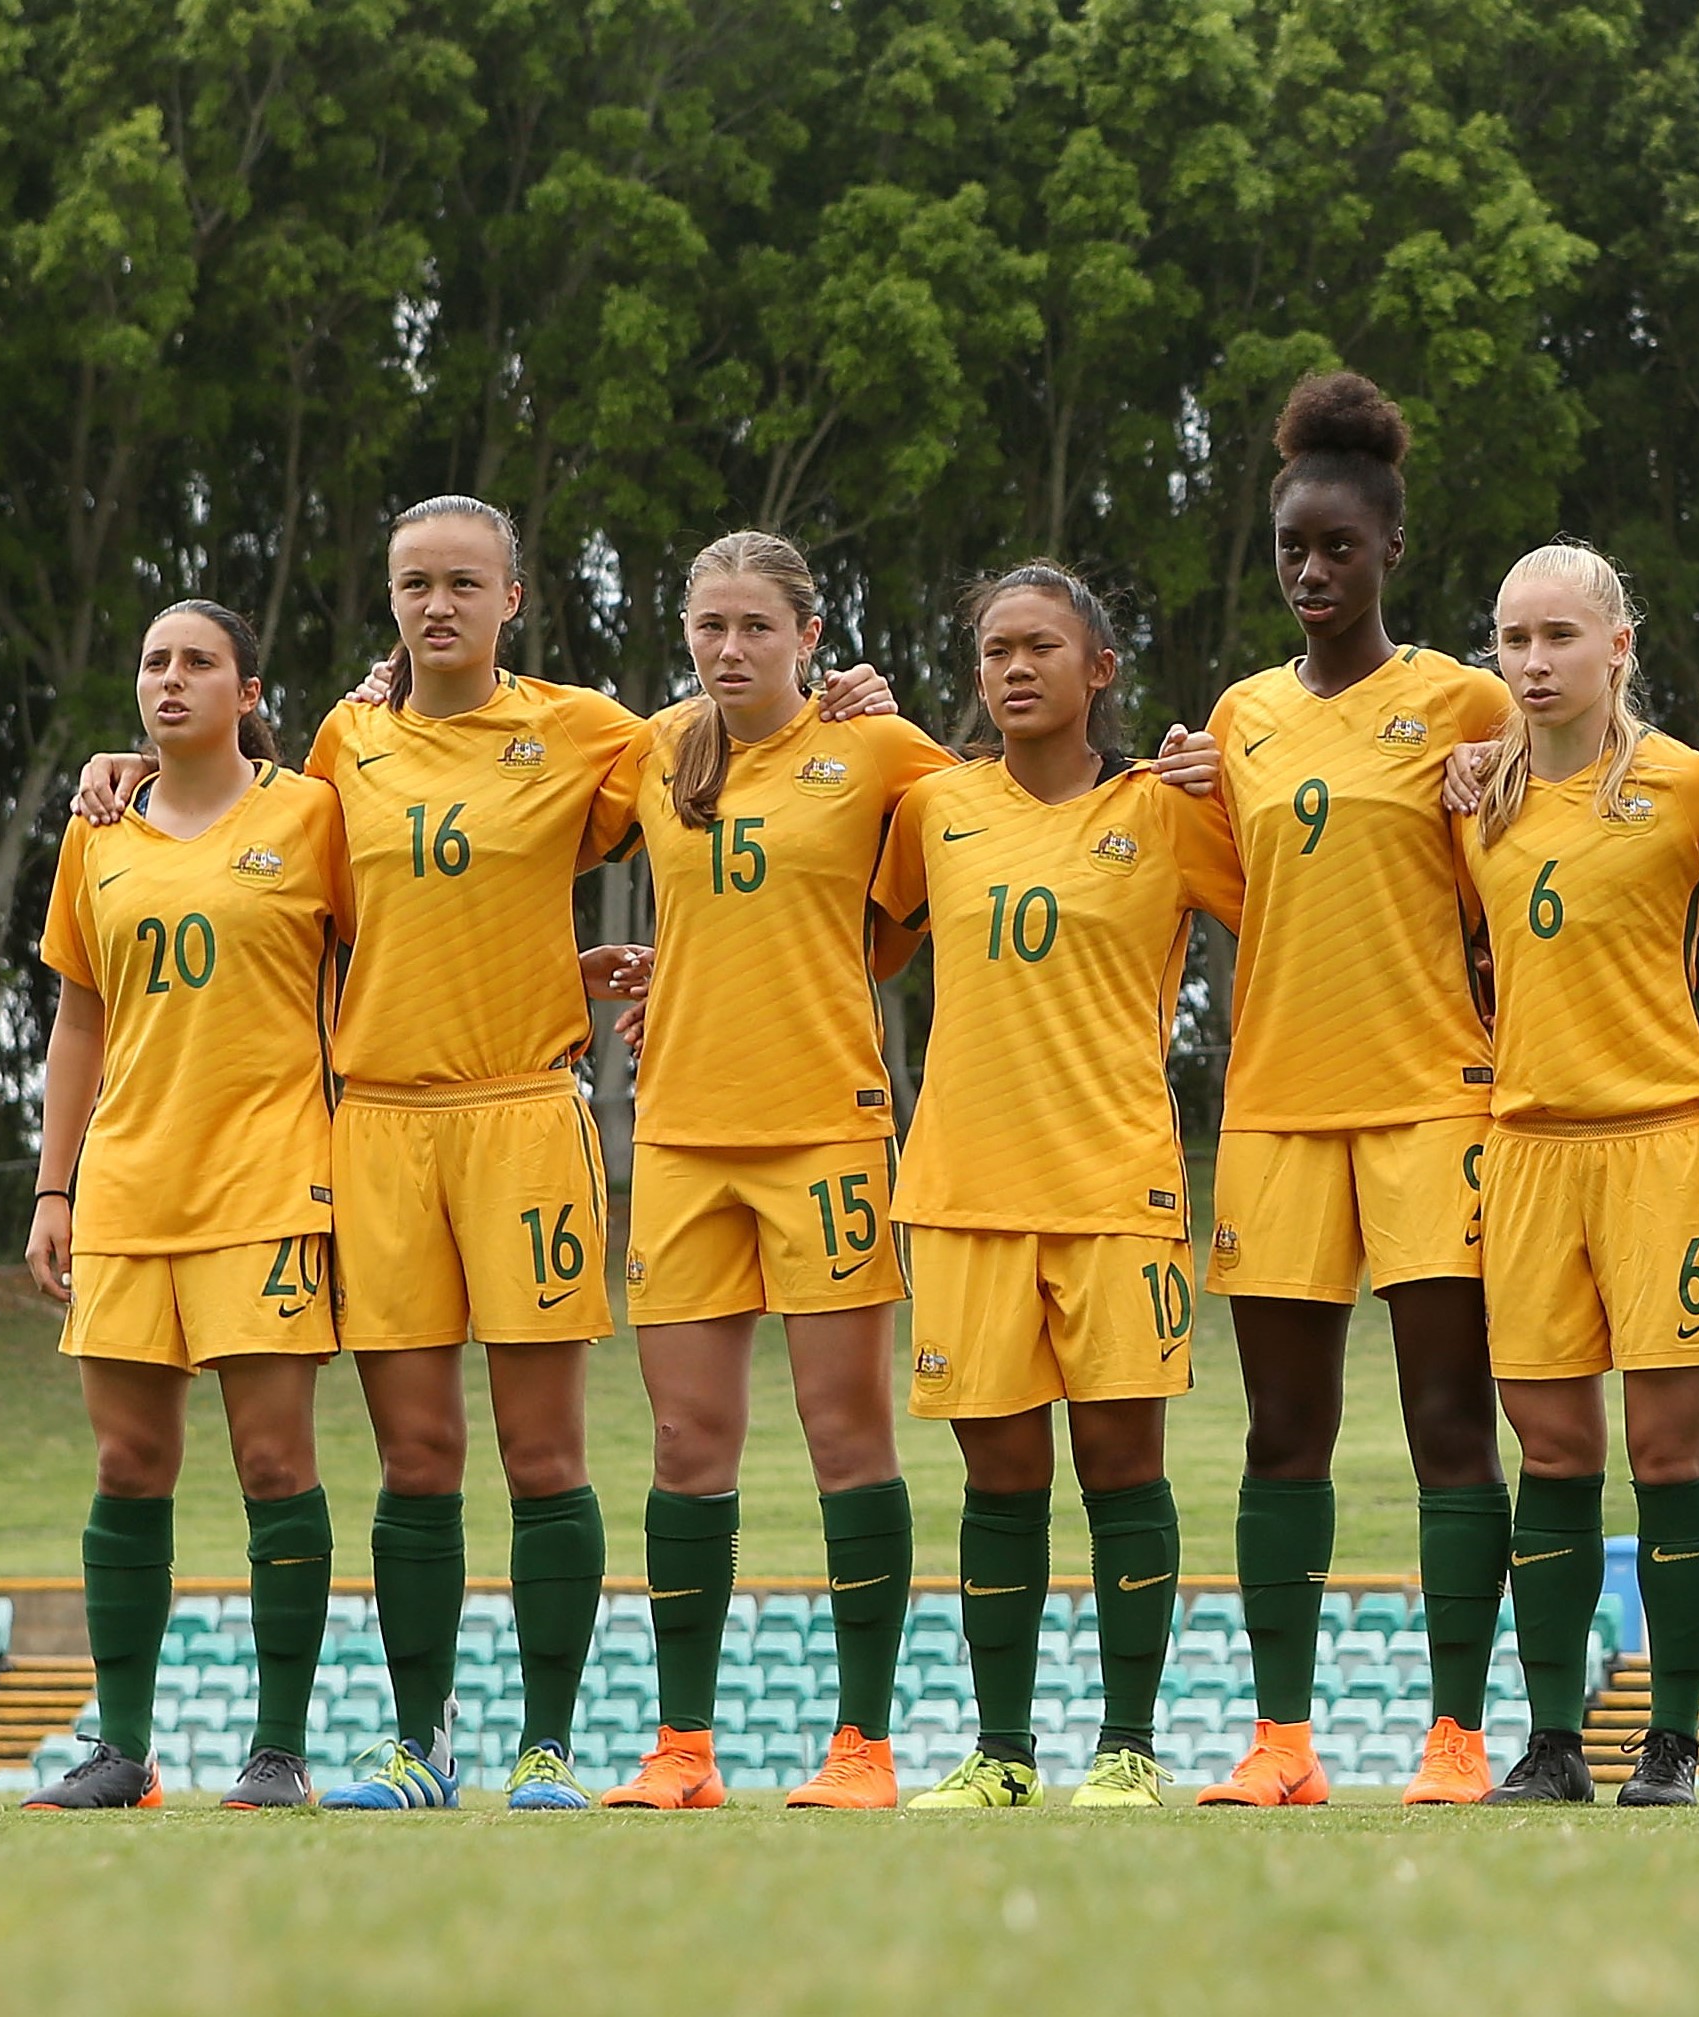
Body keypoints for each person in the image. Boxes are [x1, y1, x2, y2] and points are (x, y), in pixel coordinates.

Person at [71, 497, 897, 1810]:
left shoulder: (590, 734)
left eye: (465, 581)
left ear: (513, 598)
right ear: (390, 600)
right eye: (414, 582)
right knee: (416, 1456)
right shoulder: (345, 742)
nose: (437, 602)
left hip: (527, 1114)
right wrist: (126, 762)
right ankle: (416, 1742)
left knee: (544, 1453)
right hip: (381, 1121)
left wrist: (839, 699)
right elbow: (243, 828)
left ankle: (548, 1746)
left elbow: (737, 776)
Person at [1172, 372, 1514, 1808]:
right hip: (1276, 1112)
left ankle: (1454, 1735)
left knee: (1449, 1419)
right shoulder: (1238, 716)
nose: (1312, 573)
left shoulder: (1463, 699)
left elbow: (1522, 897)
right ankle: (1282, 1742)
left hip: (1435, 1100)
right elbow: (1219, 889)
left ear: (1388, 552)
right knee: (1280, 1434)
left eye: (1337, 549)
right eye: (1291, 551)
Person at [586, 533, 955, 1811]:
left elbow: (967, 867)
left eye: (756, 627)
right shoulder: (651, 751)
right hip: (681, 1137)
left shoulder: (881, 750)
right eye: (709, 626)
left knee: (844, 1432)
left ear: (810, 634)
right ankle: (681, 1749)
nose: (729, 649)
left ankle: (864, 1748)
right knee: (688, 1443)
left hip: (826, 1134)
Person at [875, 563, 1242, 1810]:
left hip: (1116, 1186)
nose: (1014, 668)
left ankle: (1129, 1743)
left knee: (1123, 1467)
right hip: (964, 1188)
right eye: (993, 651)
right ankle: (1002, 1753)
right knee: (999, 1479)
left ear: (1102, 671)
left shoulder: (1169, 808)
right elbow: (844, 935)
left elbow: (1297, 905)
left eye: (1041, 646)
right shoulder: (933, 806)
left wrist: (1234, 788)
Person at [21, 603, 348, 1811]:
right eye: (154, 661)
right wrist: (54, 1187)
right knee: (128, 1461)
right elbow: (79, 1019)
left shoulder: (311, 814)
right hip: (125, 1189)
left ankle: (277, 1750)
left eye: (198, 660)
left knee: (273, 1461)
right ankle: (121, 1751)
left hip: (268, 1182)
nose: (170, 678)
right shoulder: (95, 829)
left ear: (249, 690)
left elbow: (395, 950)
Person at [1462, 543, 1699, 1807]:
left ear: (1619, 647)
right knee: (1555, 1450)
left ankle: (1674, 1741)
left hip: (1662, 1143)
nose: (1534, 662)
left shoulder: (1692, 790)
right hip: (1524, 1149)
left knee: (1670, 1447)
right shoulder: (1472, 794)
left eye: (1560, 637)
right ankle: (1553, 1739)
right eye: (1514, 638)